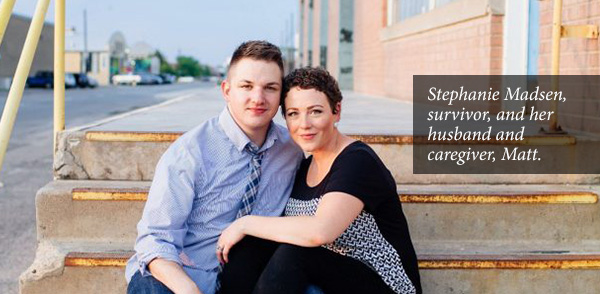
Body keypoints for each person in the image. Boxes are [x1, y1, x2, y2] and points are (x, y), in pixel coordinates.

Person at [217, 67, 422, 294]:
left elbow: (320, 231)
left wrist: (244, 223)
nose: (304, 124)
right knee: (249, 248)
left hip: (384, 284)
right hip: (327, 279)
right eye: (293, 113)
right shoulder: (303, 165)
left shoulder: (358, 161)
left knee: (296, 252)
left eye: (315, 111)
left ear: (336, 111)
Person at [125, 40, 303, 294]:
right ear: (227, 90)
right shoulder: (190, 152)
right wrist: (189, 290)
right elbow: (155, 240)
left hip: (248, 276)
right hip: (179, 278)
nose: (258, 98)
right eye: (246, 86)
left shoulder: (291, 151)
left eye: (270, 88)